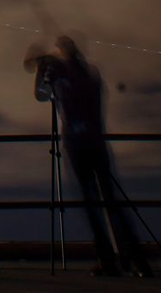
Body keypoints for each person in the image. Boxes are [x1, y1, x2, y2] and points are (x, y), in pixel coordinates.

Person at [29, 35, 152, 278]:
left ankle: (108, 260)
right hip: (97, 142)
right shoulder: (90, 73)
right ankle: (136, 260)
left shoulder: (63, 76)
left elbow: (42, 94)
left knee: (92, 203)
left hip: (78, 144)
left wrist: (43, 69)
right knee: (111, 202)